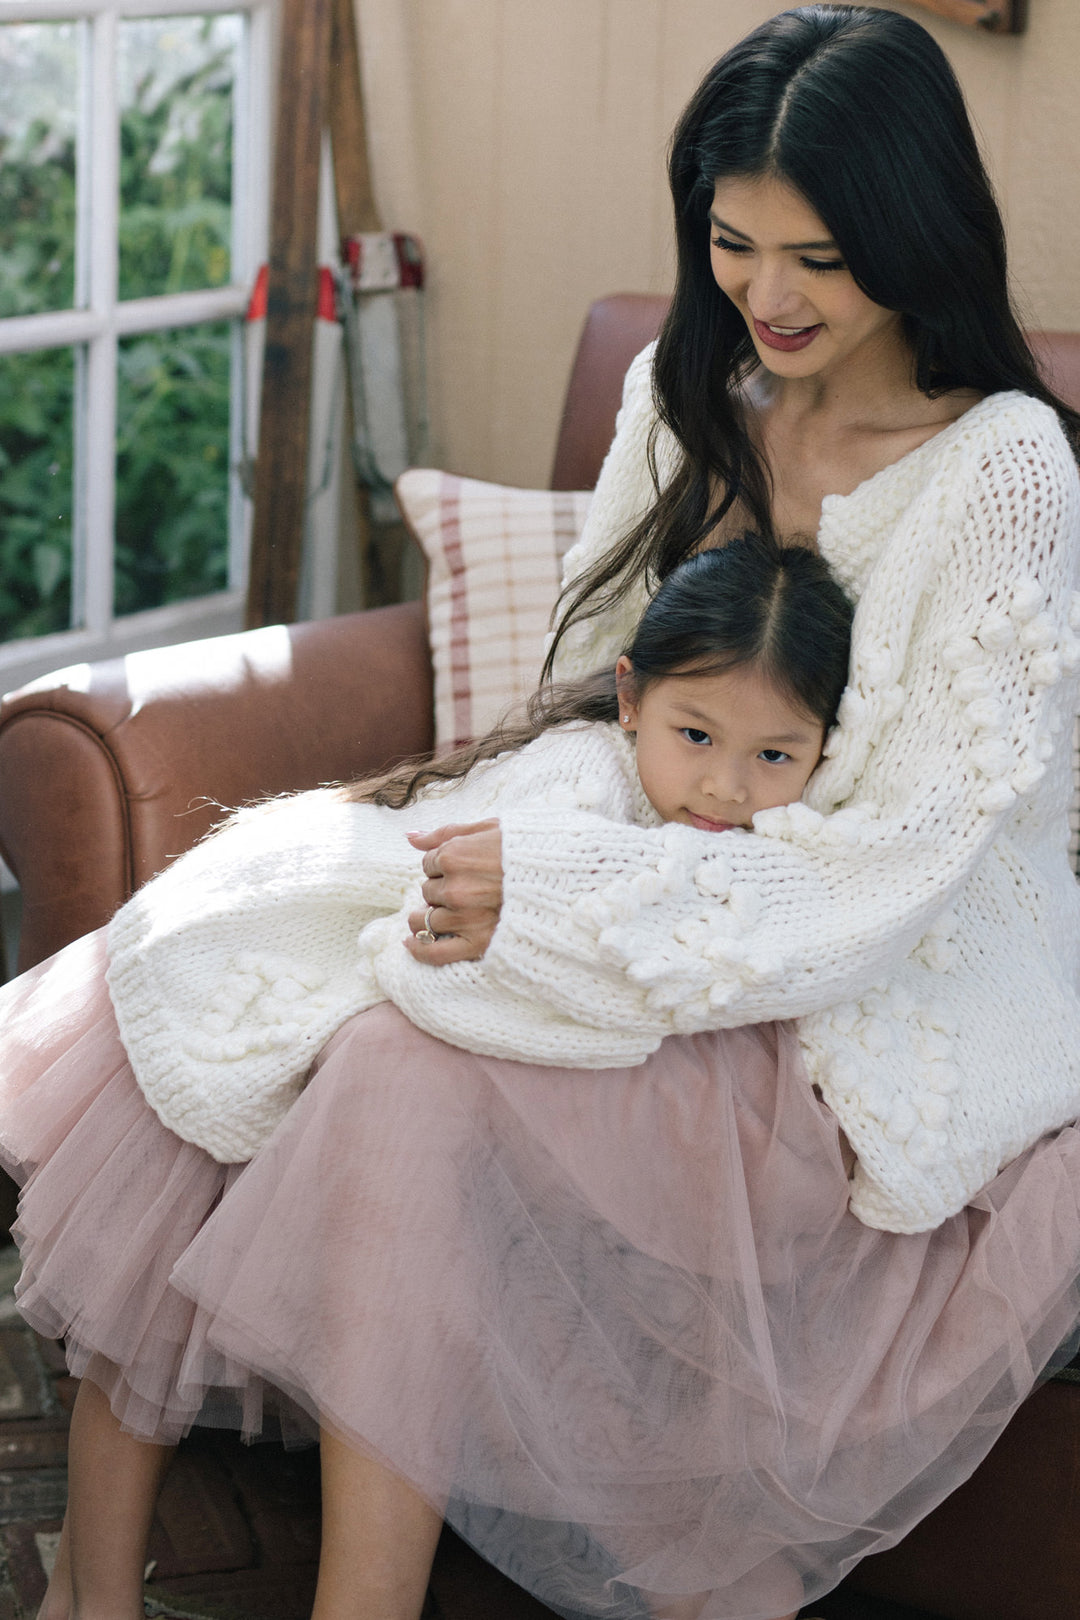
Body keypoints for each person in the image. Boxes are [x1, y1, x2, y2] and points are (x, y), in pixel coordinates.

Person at [4, 5, 1080, 1619]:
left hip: (865, 991)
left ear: (917, 242)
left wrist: (565, 905)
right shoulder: (689, 382)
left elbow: (895, 874)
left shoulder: (1004, 472)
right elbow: (594, 687)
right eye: (734, 244)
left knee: (395, 1063)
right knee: (234, 966)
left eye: (823, 260)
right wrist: (513, 867)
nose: (769, 300)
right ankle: (91, 1591)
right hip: (621, 887)